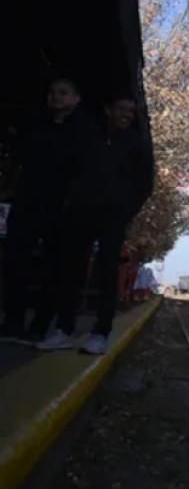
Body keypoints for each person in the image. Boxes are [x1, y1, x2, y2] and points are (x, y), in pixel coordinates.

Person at [37, 93, 152, 355]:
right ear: (107, 109)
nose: (126, 115)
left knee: (108, 270)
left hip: (113, 216)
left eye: (130, 112)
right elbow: (69, 169)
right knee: (71, 270)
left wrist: (126, 211)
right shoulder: (89, 137)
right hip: (80, 212)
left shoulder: (137, 144)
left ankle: (100, 333)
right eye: (121, 109)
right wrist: (70, 200)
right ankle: (64, 329)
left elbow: (145, 184)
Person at [0, 77, 97, 344]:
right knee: (15, 260)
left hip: (62, 207)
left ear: (76, 98)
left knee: (53, 267)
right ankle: (12, 321)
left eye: (63, 93)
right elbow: (19, 159)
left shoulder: (86, 130)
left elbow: (87, 171)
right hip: (27, 201)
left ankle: (40, 325)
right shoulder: (36, 125)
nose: (56, 97)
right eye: (53, 92)